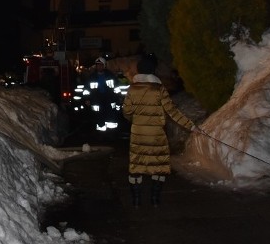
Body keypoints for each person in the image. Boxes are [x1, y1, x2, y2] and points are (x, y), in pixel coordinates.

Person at [121, 53, 197, 208]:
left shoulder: (132, 89)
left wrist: (135, 120)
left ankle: (136, 201)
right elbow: (172, 112)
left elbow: (126, 111)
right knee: (159, 167)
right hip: (157, 136)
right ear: (152, 71)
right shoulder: (159, 90)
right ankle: (155, 200)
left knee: (137, 168)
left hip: (138, 135)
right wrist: (191, 126)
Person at [83, 56, 121, 132]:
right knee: (98, 116)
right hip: (97, 99)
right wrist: (87, 99)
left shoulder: (110, 76)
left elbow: (116, 88)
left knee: (110, 116)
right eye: (97, 65)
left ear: (104, 66)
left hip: (109, 99)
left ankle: (111, 134)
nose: (99, 67)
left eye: (101, 65)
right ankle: (101, 134)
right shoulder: (91, 77)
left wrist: (118, 98)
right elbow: (86, 89)